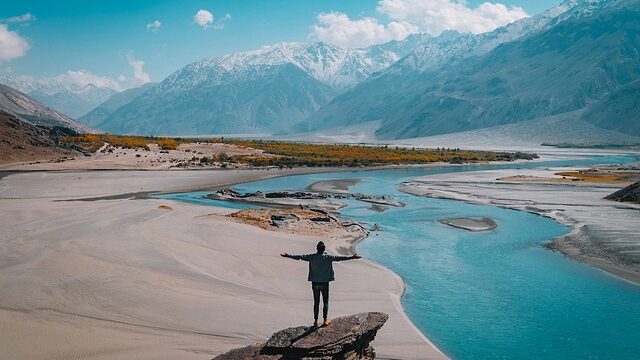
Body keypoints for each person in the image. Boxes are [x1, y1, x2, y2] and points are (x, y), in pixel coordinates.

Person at [281, 241, 361, 327]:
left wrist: (288, 255)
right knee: (325, 302)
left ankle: (315, 321)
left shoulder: (311, 257)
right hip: (325, 283)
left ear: (317, 249)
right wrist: (352, 257)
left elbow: (300, 257)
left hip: (315, 283)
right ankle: (325, 320)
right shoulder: (328, 257)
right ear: (324, 249)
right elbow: (340, 258)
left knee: (316, 302)